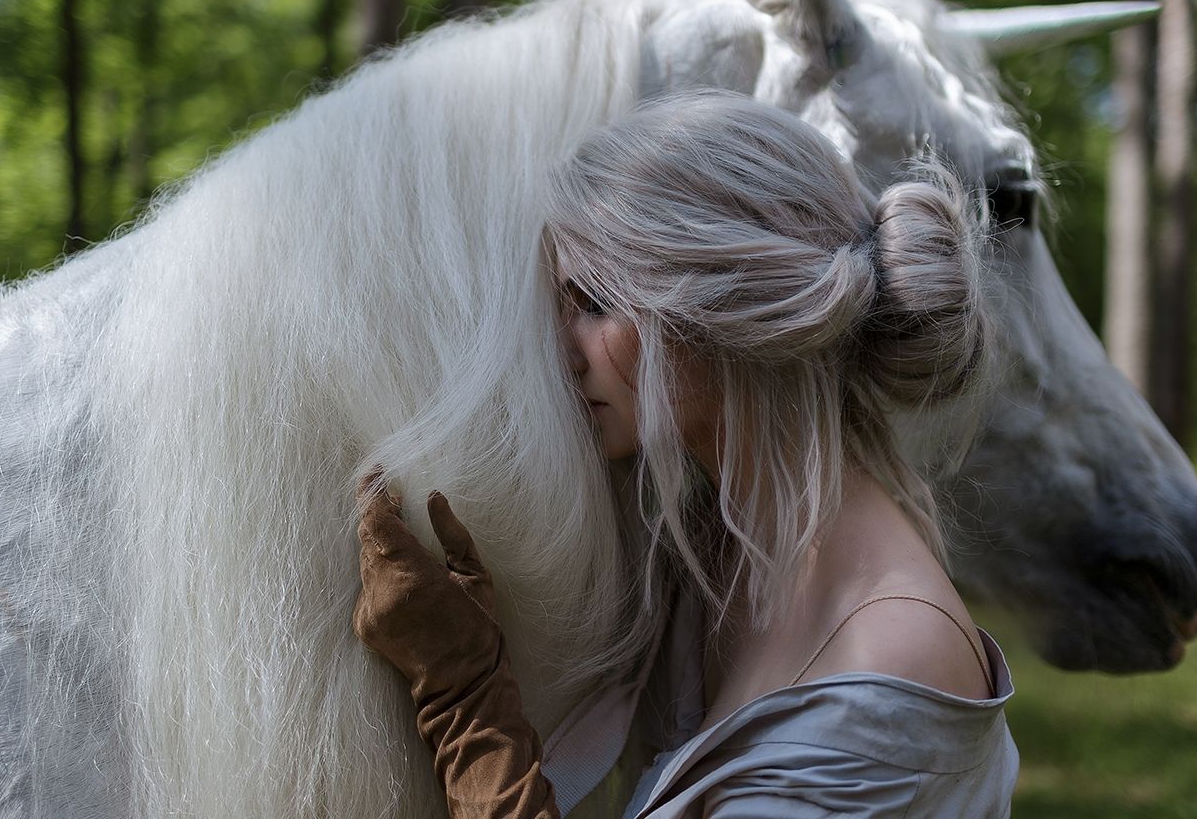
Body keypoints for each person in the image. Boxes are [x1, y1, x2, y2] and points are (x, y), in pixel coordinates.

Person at [351, 90, 1018, 817]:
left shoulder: (889, 661)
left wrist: (462, 694)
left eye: (597, 300)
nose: (562, 349)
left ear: (721, 306)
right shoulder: (722, 554)